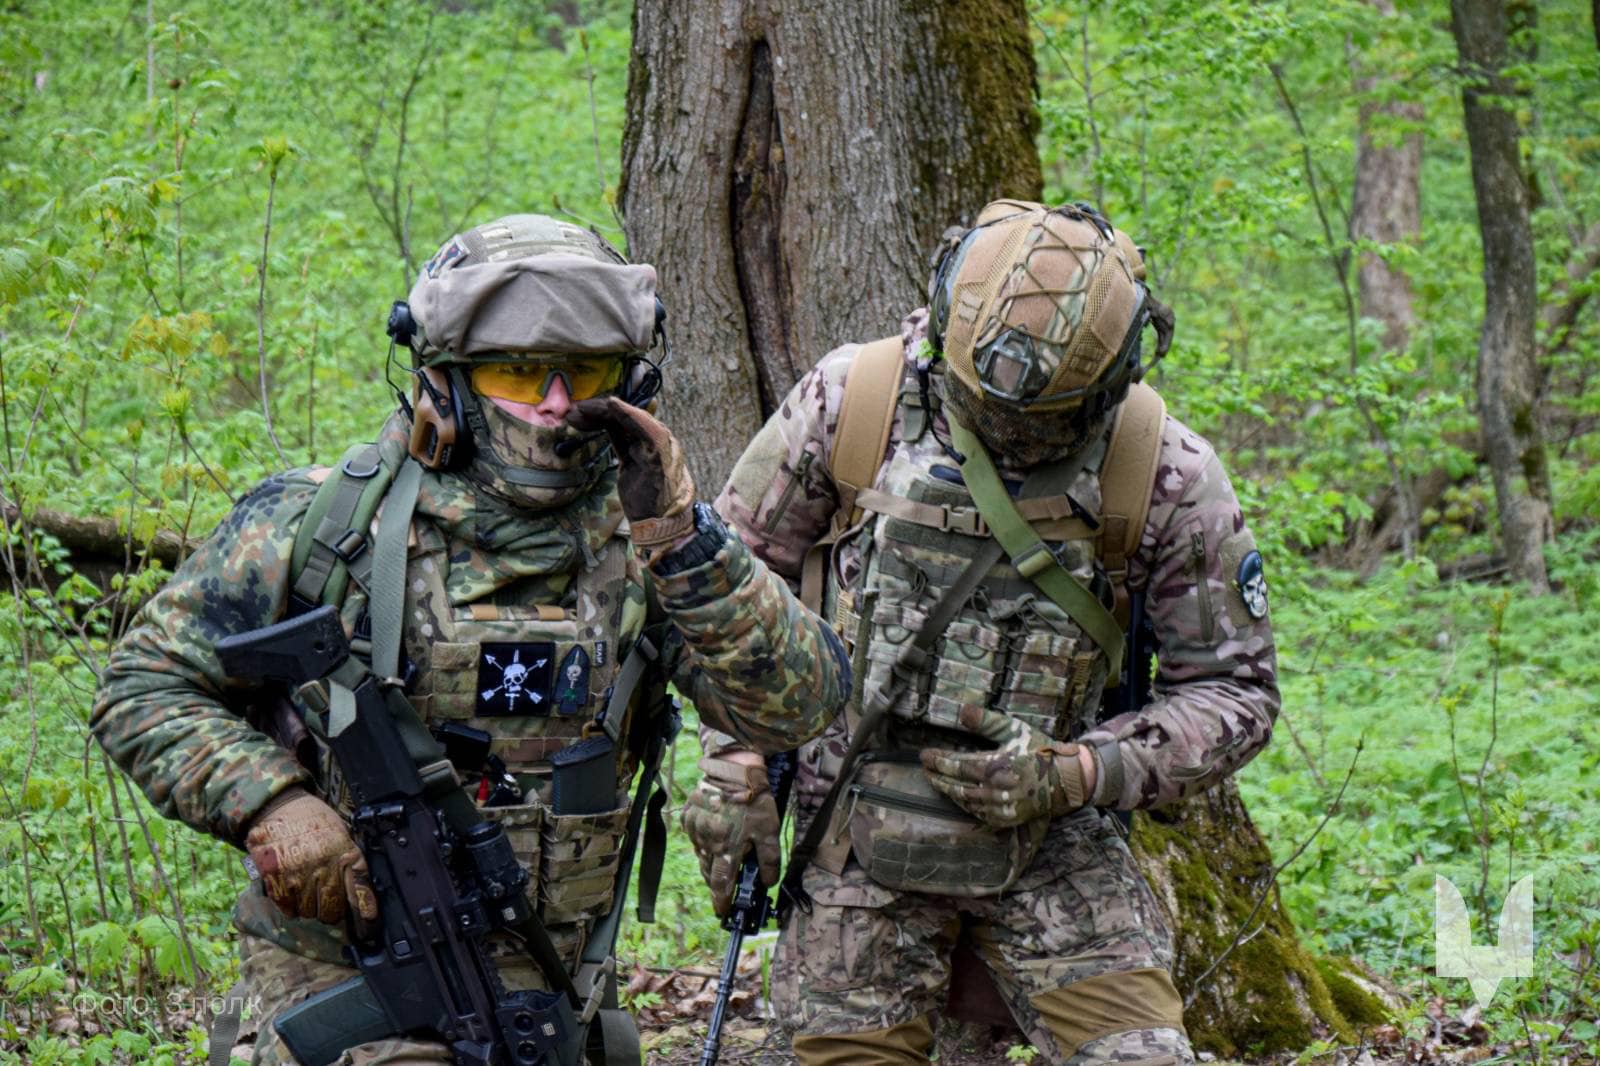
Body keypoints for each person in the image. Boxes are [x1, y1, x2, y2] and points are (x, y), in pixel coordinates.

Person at [92, 214, 850, 1066]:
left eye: (587, 372)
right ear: (444, 381)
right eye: (516, 371)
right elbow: (142, 687)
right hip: (340, 975)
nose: (556, 403)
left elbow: (799, 707)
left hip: (551, 997)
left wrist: (686, 544)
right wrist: (273, 802)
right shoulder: (320, 525)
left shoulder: (646, 546)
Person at [683, 200, 1279, 1065]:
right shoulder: (855, 404)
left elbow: (1235, 690)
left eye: (1040, 427)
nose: (1009, 439)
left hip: (1051, 838)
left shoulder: (1160, 469)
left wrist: (1079, 771)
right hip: (851, 828)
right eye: (984, 409)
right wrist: (736, 769)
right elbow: (729, 597)